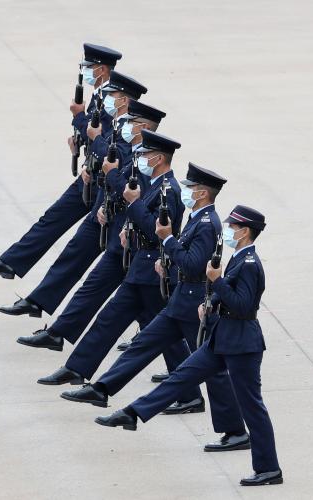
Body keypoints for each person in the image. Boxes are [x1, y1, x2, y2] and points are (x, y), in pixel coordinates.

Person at [60, 164, 252, 451]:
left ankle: (235, 431)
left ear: (202, 193)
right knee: (143, 344)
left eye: (190, 188)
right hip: (181, 299)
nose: (185, 192)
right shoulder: (198, 219)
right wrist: (168, 260)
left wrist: (168, 240)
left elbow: (194, 264)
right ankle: (102, 389)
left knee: (212, 369)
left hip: (194, 303)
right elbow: (187, 258)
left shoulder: (207, 223)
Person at [94, 205, 283, 487]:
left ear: (245, 232)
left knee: (252, 407)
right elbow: (230, 294)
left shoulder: (250, 263)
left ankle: (269, 469)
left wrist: (217, 282)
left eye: (232, 228)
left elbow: (243, 305)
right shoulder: (239, 258)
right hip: (223, 337)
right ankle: (133, 413)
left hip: (242, 344)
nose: (228, 231)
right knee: (182, 376)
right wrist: (211, 302)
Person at [31, 130, 199, 411]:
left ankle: (189, 394)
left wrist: (134, 204)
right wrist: (127, 226)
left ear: (158, 159)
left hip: (152, 272)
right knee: (111, 320)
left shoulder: (169, 191)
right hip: (140, 267)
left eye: (146, 154)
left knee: (165, 337)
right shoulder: (155, 185)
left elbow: (158, 232)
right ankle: (78, 369)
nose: (141, 158)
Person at [0, 72, 147, 318]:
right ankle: (38, 302)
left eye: (113, 95)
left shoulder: (133, 133)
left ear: (124, 100)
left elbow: (114, 159)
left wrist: (81, 120)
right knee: (76, 254)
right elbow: (104, 154)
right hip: (103, 200)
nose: (108, 99)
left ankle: (158, 329)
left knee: (129, 279)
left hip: (117, 207)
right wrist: (90, 163)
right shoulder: (120, 125)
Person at [0, 43, 121, 282]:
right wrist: (79, 142)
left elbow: (104, 139)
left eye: (89, 67)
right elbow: (93, 137)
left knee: (86, 245)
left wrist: (78, 116)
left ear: (102, 69)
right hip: (89, 175)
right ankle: (10, 262)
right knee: (52, 218)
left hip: (102, 181)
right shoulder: (99, 95)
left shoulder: (112, 100)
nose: (85, 72)